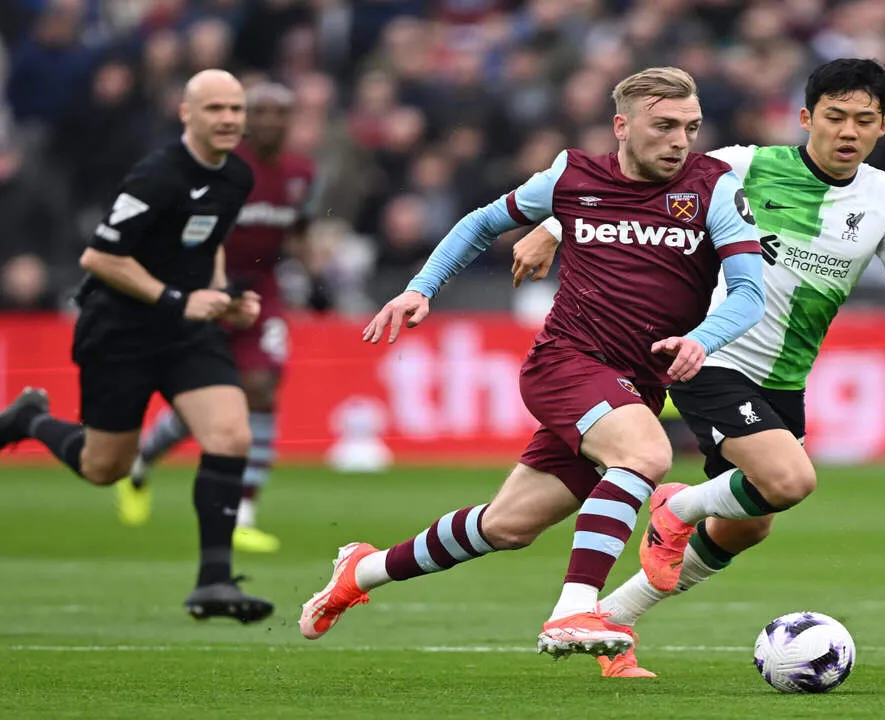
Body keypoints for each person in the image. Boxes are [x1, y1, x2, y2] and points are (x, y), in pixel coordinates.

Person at [297, 67, 765, 666]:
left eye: (691, 128)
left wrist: (701, 338)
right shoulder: (571, 176)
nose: (679, 141)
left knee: (507, 527)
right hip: (566, 362)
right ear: (622, 126)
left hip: (634, 385)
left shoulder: (714, 187)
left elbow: (749, 293)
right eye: (665, 126)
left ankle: (360, 571)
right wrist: (423, 288)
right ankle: (574, 608)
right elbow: (481, 223)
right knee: (646, 457)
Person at [510, 58, 885, 676]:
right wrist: (555, 226)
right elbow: (639, 186)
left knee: (749, 527)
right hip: (708, 353)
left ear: (884, 125)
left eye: (863, 120)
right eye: (833, 117)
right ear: (806, 119)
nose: (846, 132)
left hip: (785, 376)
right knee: (791, 480)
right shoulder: (745, 164)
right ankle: (676, 509)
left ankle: (613, 618)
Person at [0, 69, 275, 623]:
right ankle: (30, 420)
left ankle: (213, 583)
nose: (228, 119)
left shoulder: (237, 177)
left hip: (186, 331)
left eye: (236, 109)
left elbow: (212, 242)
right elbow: (98, 258)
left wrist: (223, 296)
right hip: (120, 331)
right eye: (215, 108)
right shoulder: (156, 175)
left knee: (231, 431)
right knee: (106, 467)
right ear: (186, 114)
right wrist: (177, 298)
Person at [116, 82, 320, 554]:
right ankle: (143, 462)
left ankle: (244, 512)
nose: (269, 121)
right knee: (206, 400)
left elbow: (301, 231)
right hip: (208, 286)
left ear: (290, 122)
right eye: (260, 112)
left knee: (262, 389)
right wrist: (209, 289)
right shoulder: (226, 168)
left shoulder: (302, 174)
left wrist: (318, 280)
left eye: (278, 114)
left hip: (264, 292)